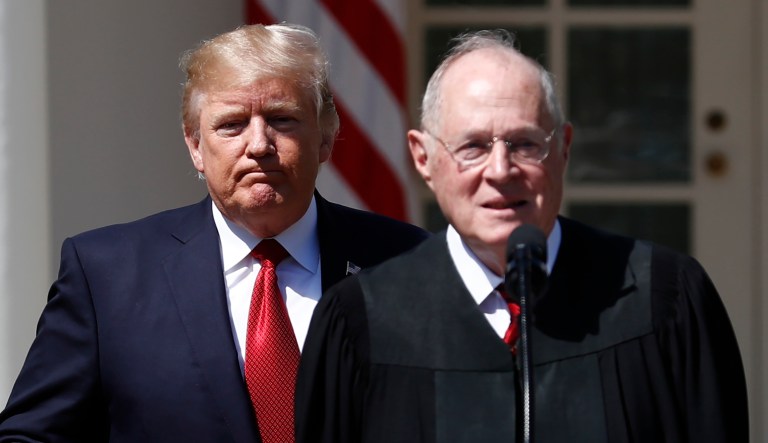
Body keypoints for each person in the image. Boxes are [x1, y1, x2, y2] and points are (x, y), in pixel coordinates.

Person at [295, 29, 748, 443]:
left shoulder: (662, 299)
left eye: (525, 144)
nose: (500, 171)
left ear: (564, 149)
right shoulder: (361, 321)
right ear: (424, 158)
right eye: (472, 146)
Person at [0, 23, 428, 442]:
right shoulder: (107, 275)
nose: (259, 144)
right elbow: (30, 435)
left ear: (326, 140)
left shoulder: (408, 263)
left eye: (282, 119)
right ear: (195, 146)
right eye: (232, 125)